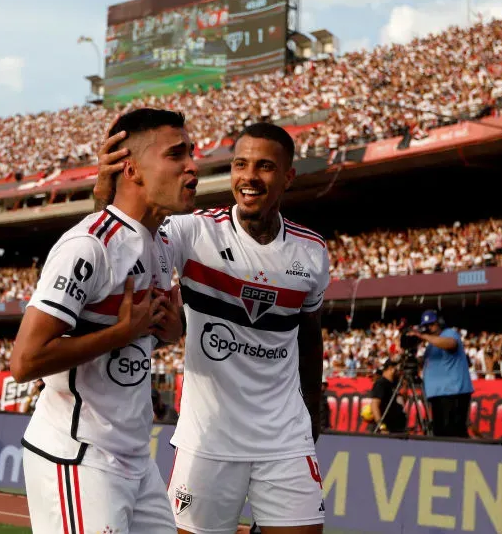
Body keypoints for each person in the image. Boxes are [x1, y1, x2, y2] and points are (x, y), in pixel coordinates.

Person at [95, 121, 329, 534]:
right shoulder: (193, 231)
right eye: (240, 164)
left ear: (288, 176)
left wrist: (313, 403)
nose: (249, 177)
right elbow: (120, 244)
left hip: (285, 436)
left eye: (264, 167)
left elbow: (309, 333)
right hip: (207, 441)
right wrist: (104, 196)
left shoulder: (311, 251)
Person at [9, 108, 196, 534]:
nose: (192, 166)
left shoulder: (161, 244)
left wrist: (171, 330)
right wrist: (120, 333)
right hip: (78, 454)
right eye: (176, 154)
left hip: (134, 457)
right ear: (131, 169)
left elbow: (153, 334)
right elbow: (25, 361)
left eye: (192, 152)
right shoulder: (87, 246)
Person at [417, 310, 473, 438]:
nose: (428, 328)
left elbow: (451, 344)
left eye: (431, 324)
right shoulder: (431, 345)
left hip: (453, 392)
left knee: (453, 432)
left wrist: (423, 336)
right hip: (438, 394)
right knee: (440, 432)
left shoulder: (449, 333)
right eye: (426, 326)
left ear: (440, 323)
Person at [369, 358, 407, 434]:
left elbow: (403, 401)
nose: (399, 371)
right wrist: (381, 426)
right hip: (386, 427)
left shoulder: (395, 383)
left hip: (396, 426)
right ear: (391, 368)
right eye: (398, 369)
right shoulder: (381, 383)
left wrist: (405, 386)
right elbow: (374, 404)